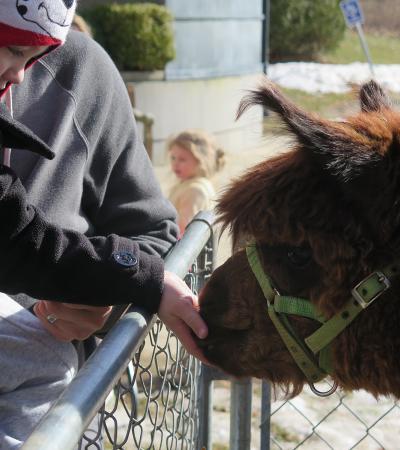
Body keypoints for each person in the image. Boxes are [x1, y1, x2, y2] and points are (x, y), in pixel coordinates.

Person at [0, 2, 208, 447]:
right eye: (14, 49)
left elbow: (151, 233)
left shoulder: (82, 70)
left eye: (30, 54)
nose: (19, 74)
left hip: (48, 403)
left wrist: (104, 299)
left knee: (44, 360)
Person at [168, 129, 225, 234]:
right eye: (173, 158)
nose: (175, 164)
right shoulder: (188, 184)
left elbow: (183, 231)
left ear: (199, 160)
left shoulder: (195, 191)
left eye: (182, 159)